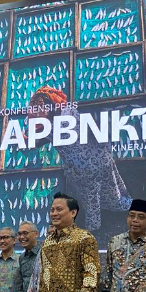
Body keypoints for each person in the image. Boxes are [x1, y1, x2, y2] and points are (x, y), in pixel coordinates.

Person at [27, 86, 132, 230]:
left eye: (41, 107)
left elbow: (95, 130)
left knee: (93, 199)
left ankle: (93, 229)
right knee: (106, 192)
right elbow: (38, 140)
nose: (39, 112)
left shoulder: (66, 117)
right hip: (91, 163)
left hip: (90, 166)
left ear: (51, 104)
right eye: (36, 108)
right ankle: (117, 209)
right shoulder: (56, 119)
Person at [29, 192, 100, 292]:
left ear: (73, 212)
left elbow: (91, 271)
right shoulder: (48, 241)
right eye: (52, 210)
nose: (54, 213)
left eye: (59, 209)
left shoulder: (84, 238)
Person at [17, 221, 41, 291]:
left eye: (25, 233)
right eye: (19, 234)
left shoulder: (44, 252)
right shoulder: (22, 257)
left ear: (36, 234)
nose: (21, 237)